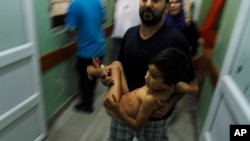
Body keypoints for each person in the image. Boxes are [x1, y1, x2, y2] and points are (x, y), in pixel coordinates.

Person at [101, 0, 199, 140]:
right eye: (144, 0)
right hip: (124, 109)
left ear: (166, 8)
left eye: (155, 0)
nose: (148, 4)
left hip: (155, 118)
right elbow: (119, 66)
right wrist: (108, 78)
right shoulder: (129, 34)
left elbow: (191, 84)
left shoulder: (177, 40)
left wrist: (170, 103)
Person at [87, 48, 189, 133]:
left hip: (114, 105)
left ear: (167, 85)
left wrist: (117, 110)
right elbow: (189, 88)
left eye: (154, 76)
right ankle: (99, 70)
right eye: (148, 71)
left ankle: (94, 71)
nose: (146, 77)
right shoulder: (169, 88)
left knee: (114, 67)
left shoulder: (150, 99)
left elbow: (137, 127)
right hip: (124, 95)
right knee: (117, 63)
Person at [66, 0, 105, 113]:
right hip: (100, 47)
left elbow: (71, 31)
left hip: (86, 52)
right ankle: (89, 100)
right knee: (92, 78)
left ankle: (87, 105)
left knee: (84, 80)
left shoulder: (74, 5)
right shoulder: (97, 2)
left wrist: (69, 24)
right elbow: (102, 19)